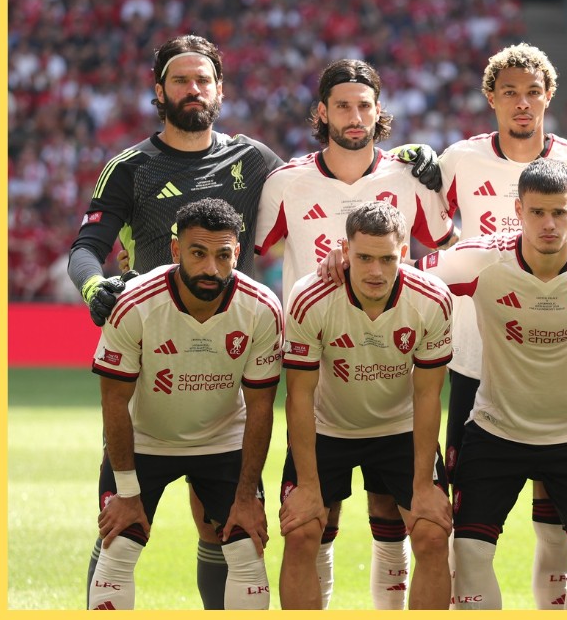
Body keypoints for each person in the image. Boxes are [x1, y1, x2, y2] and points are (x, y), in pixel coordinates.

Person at [68, 35, 284, 610]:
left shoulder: (255, 161)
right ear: (158, 90)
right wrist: (97, 288)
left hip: (228, 349)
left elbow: (320, 196)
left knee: (222, 526)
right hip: (153, 347)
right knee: (122, 524)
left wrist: (400, 166)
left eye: (204, 80)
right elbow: (86, 247)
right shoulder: (131, 167)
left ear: (220, 89)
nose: (195, 89)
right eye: (181, 80)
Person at [254, 59, 453, 609]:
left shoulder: (410, 176)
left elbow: (442, 242)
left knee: (403, 523)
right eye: (342, 104)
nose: (355, 115)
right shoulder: (286, 182)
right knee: (314, 524)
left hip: (393, 364)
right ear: (321, 112)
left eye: (364, 104)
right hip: (320, 378)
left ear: (379, 111)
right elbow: (252, 255)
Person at [433, 42, 567, 608]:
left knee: (558, 527)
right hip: (475, 361)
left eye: (532, 92)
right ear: (490, 97)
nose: (522, 103)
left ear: (549, 97)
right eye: (509, 92)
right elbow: (423, 239)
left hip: (560, 371)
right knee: (467, 534)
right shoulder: (457, 160)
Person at [417, 158, 567, 609]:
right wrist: (342, 263)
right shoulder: (483, 258)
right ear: (518, 211)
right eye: (538, 212)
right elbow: (398, 277)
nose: (549, 224)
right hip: (495, 430)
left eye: (560, 212)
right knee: (469, 553)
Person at [87, 198, 281, 610]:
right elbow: (114, 401)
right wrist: (125, 492)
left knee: (248, 552)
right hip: (145, 441)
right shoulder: (134, 304)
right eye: (198, 253)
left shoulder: (262, 308)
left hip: (222, 441)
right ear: (176, 251)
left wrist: (247, 495)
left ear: (237, 253)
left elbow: (261, 407)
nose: (211, 268)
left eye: (223, 255)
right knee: (120, 544)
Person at [277, 201, 453, 609]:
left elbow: (429, 395)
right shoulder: (310, 297)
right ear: (345, 249)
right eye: (364, 258)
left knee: (431, 533)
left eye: (387, 258)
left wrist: (424, 484)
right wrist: (306, 486)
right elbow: (299, 395)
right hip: (328, 428)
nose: (375, 271)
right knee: (302, 532)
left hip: (399, 429)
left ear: (404, 252)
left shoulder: (432, 299)